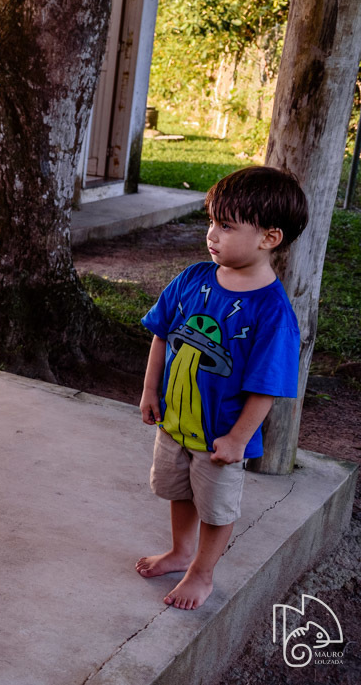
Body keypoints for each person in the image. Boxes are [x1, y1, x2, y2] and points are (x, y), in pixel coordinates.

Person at [134, 166, 309, 610]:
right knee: (178, 490)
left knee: (215, 506)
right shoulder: (193, 278)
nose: (211, 234)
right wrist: (150, 390)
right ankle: (180, 551)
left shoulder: (272, 312)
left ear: (269, 238)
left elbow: (267, 387)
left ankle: (202, 573)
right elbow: (161, 334)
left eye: (226, 226)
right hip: (175, 421)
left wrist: (239, 438)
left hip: (220, 437)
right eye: (211, 221)